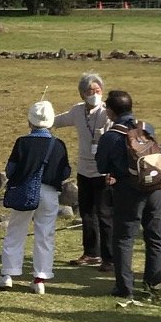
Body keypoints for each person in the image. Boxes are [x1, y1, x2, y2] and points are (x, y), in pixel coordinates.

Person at [95, 88, 161, 305]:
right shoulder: (146, 127)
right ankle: (153, 286)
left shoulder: (110, 136)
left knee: (124, 239)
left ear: (110, 111)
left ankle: (124, 288)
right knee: (156, 238)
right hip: (156, 188)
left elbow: (101, 166)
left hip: (128, 190)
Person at [0, 99, 71, 293]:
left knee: (15, 231)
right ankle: (40, 278)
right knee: (45, 235)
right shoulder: (58, 145)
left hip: (24, 190)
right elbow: (65, 172)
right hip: (49, 192)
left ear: (30, 121)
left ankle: (8, 274)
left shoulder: (22, 143)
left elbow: (10, 169)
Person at [53, 73, 113, 268]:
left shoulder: (107, 113)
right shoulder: (77, 111)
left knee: (105, 215)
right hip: (84, 170)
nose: (94, 94)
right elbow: (57, 121)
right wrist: (39, 118)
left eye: (97, 90)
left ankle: (109, 257)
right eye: (89, 91)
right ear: (81, 94)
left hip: (104, 171)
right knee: (86, 214)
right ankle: (91, 253)